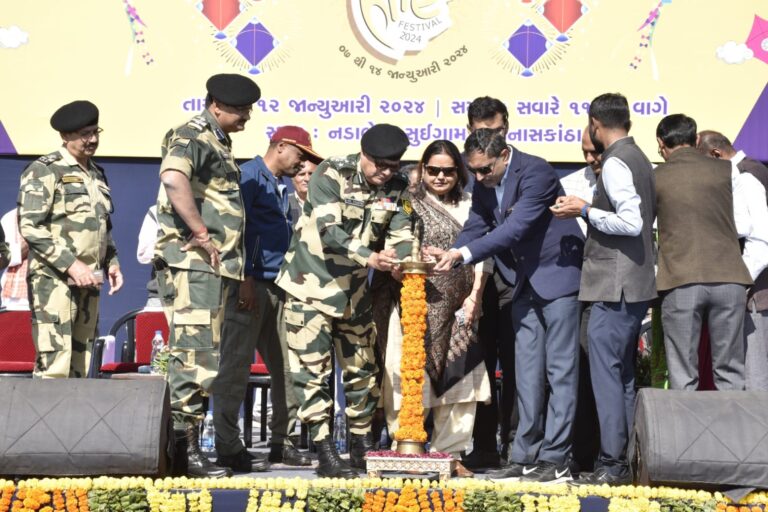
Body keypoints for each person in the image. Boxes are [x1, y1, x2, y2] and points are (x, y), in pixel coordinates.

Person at [435, 129, 584, 483]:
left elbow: (516, 229)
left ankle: (556, 455)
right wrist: (453, 251)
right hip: (523, 283)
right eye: (474, 173)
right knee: (527, 373)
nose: (481, 179)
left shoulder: (538, 172)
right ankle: (524, 454)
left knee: (560, 372)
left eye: (486, 170)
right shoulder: (486, 183)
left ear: (504, 154)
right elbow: (477, 225)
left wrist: (463, 254)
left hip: (559, 277)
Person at [275, 123, 413, 478]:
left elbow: (401, 232)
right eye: (379, 165)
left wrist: (402, 258)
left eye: (393, 166)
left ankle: (361, 445)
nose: (385, 173)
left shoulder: (398, 186)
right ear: (363, 155)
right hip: (311, 290)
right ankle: (324, 451)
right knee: (313, 373)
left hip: (354, 294)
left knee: (363, 371)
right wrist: (370, 257)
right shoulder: (332, 172)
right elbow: (330, 231)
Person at [153, 73, 261, 478]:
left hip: (216, 268)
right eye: (240, 109)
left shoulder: (218, 140)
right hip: (194, 265)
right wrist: (200, 231)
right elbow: (172, 177)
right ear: (216, 104)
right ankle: (184, 452)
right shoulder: (192, 134)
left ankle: (189, 448)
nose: (246, 117)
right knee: (194, 357)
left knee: (206, 357)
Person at [553, 93, 656, 485]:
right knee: (623, 377)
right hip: (631, 283)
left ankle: (612, 462)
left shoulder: (615, 162)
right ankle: (626, 459)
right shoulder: (641, 158)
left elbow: (631, 223)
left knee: (607, 377)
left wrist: (583, 210)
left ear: (595, 123)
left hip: (616, 286)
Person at [379, 140, 492, 478]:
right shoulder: (407, 205)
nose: (441, 177)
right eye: (433, 170)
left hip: (459, 305)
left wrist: (475, 297)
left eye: (449, 171)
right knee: (406, 375)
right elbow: (391, 244)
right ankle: (406, 444)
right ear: (422, 170)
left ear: (459, 173)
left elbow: (484, 254)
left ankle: (452, 453)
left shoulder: (474, 205)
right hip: (414, 305)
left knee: (461, 380)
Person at [212, 126, 322, 472]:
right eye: (300, 155)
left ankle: (281, 443)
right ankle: (228, 445)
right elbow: (235, 231)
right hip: (249, 286)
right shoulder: (248, 176)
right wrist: (244, 278)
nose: (302, 163)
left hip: (279, 287)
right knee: (235, 367)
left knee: (288, 368)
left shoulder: (277, 184)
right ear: (281, 146)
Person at [17, 100, 123, 379]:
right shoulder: (45, 170)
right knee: (55, 365)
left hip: (90, 280)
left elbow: (102, 225)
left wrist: (112, 262)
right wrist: (72, 265)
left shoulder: (97, 173)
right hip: (54, 280)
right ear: (65, 137)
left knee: (81, 362)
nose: (93, 140)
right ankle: (42, 423)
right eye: (84, 134)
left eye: (95, 131)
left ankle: (71, 424)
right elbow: (30, 226)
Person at [654, 114, 753, 391]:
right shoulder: (726, 170)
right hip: (729, 278)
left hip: (680, 281)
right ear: (696, 140)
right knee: (730, 374)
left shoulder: (656, 176)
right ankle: (732, 434)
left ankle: (686, 435)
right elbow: (745, 225)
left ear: (661, 144)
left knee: (683, 376)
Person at [462, 96, 514, 470]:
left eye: (493, 131)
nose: (487, 139)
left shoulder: (519, 168)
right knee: (477, 366)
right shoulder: (460, 170)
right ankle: (481, 445)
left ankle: (514, 445)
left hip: (511, 283)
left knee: (515, 367)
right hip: (468, 285)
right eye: (480, 132)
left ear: (506, 129)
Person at [697, 130, 768, 390]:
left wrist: (739, 283)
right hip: (753, 291)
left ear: (716, 155)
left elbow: (761, 241)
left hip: (756, 294)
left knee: (755, 380)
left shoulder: (748, 177)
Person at [557, 126, 601, 474]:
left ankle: (613, 454)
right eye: (585, 151)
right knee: (576, 370)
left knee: (611, 373)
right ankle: (581, 453)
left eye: (596, 150)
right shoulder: (570, 183)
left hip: (615, 292)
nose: (591, 158)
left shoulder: (634, 177)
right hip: (574, 290)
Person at [1, 208, 30, 310]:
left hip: (52, 296)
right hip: (14, 301)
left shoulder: (61, 213)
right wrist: (18, 252)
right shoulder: (10, 217)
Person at [136, 205, 162, 309]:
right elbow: (143, 255)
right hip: (162, 296)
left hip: (200, 296)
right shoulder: (156, 211)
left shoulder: (211, 209)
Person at [288, 159, 319, 225]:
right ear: (292, 178)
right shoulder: (284, 205)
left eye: (311, 174)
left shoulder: (330, 203)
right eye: (302, 174)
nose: (307, 179)